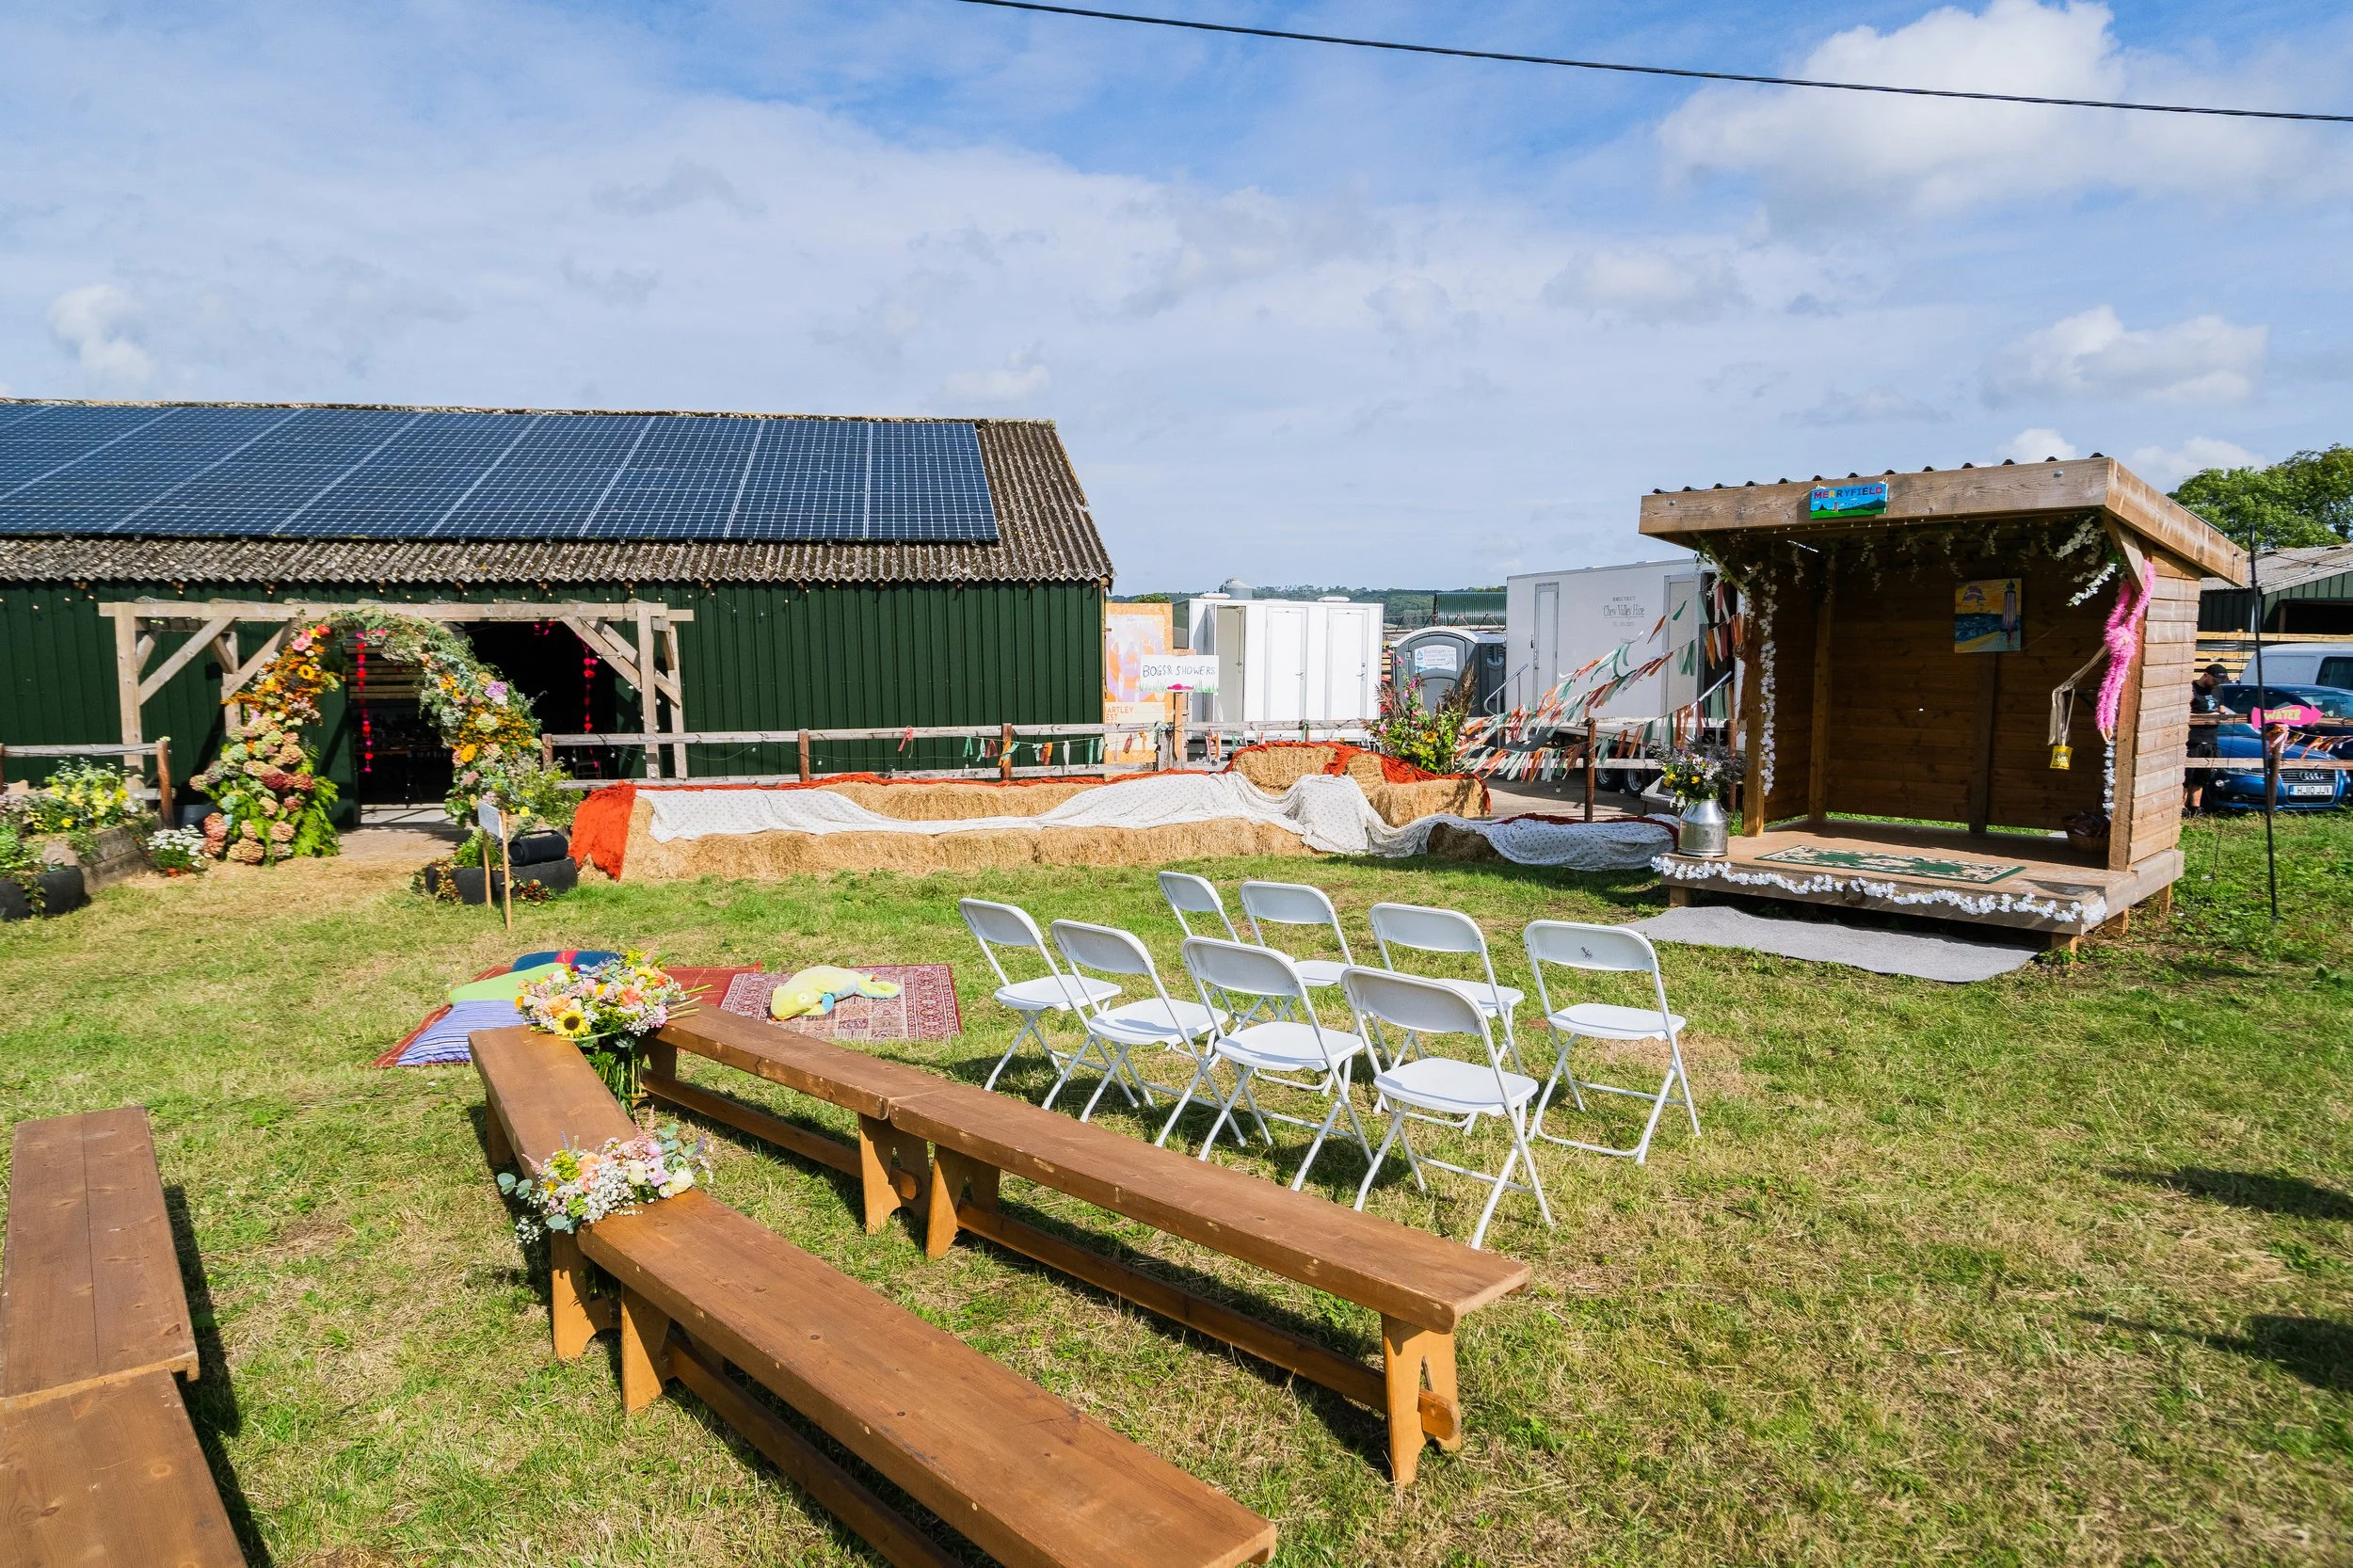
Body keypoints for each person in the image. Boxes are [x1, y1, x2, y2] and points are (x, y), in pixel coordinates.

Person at [2186, 663, 2228, 812]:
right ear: (2205, 675)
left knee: (2201, 777)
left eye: (2220, 681)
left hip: (2211, 739)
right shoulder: (2191, 689)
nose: (2217, 684)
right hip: (2193, 739)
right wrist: (2207, 716)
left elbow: (2221, 708)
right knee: (2186, 777)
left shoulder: (2218, 690)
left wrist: (2222, 713)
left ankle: (2195, 808)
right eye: (2215, 680)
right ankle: (2180, 809)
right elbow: (2184, 714)